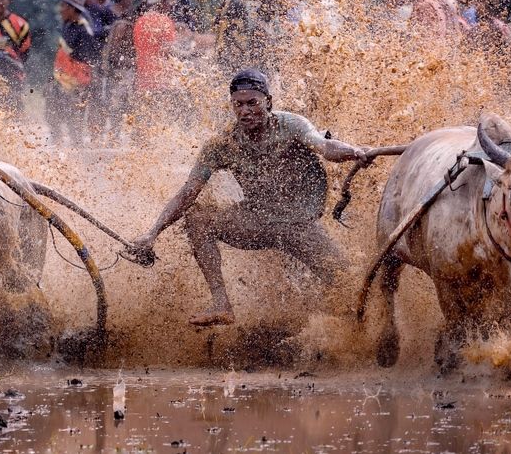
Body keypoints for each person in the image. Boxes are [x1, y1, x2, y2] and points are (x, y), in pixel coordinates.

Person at [128, 69, 368, 326]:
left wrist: (354, 152)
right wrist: (152, 233)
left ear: (268, 102)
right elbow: (188, 192)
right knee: (198, 217)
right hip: (256, 221)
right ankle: (221, 304)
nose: (245, 111)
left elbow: (323, 146)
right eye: (238, 104)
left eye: (252, 103)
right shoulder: (222, 144)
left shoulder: (292, 125)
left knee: (353, 289)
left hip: (300, 225)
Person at [50, 0, 101, 145]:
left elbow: (87, 63)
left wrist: (74, 87)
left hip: (75, 85)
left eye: (63, 5)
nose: (60, 9)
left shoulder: (83, 30)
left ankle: (77, 158)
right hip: (61, 81)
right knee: (53, 119)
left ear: (72, 8)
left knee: (74, 124)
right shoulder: (68, 25)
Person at [214, 0, 272, 72]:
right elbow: (232, 36)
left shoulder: (229, 1)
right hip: (232, 61)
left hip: (227, 57)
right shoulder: (236, 4)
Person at [102, 0, 137, 143]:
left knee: (127, 105)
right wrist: (131, 61)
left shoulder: (126, 21)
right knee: (116, 105)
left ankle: (118, 136)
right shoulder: (121, 25)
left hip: (126, 71)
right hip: (119, 72)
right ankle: (113, 137)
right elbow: (114, 53)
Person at [133, 0, 179, 95]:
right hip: (162, 82)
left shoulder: (140, 22)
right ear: (162, 1)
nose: (171, 5)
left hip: (142, 82)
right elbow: (169, 51)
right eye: (169, 1)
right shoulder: (166, 22)